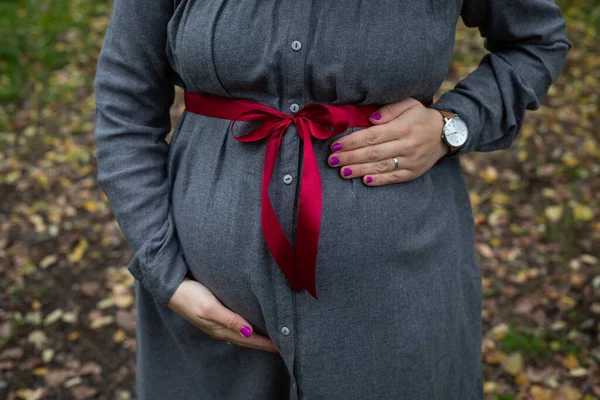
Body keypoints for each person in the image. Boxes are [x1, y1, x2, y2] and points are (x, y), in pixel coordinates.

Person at [93, 0, 571, 398]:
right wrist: (166, 274)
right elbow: (125, 100)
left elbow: (535, 40)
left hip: (395, 317)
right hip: (204, 332)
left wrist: (454, 124)